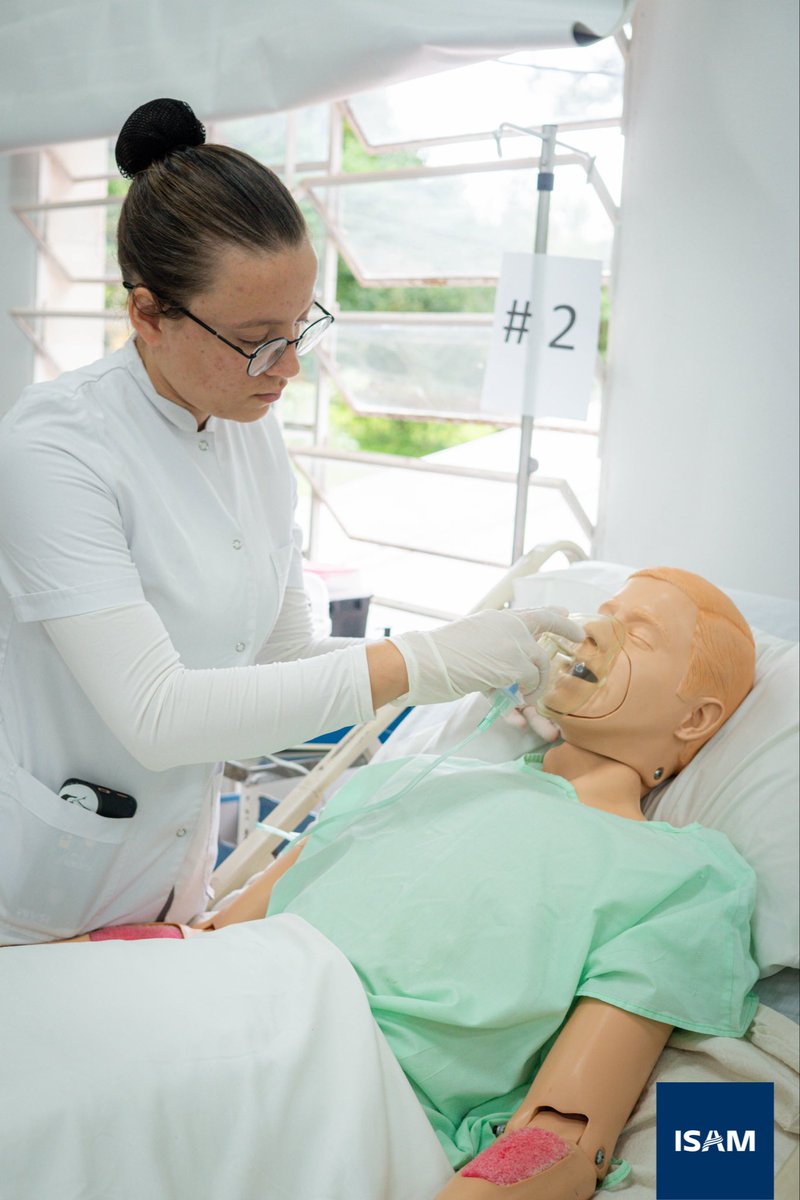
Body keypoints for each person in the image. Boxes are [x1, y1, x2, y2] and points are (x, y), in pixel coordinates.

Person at [0, 97, 580, 946]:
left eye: (301, 326)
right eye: (257, 339)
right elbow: (159, 715)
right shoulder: (53, 450)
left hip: (166, 878)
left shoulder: (247, 427)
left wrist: (471, 660)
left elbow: (285, 661)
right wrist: (422, 662)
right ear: (148, 314)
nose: (291, 367)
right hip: (43, 885)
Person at [235, 566, 759, 1196]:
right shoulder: (420, 775)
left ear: (695, 720)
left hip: (329, 1083)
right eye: (604, 616)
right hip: (224, 992)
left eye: (638, 637)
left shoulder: (685, 876)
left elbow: (562, 1137)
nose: (592, 637)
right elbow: (216, 930)